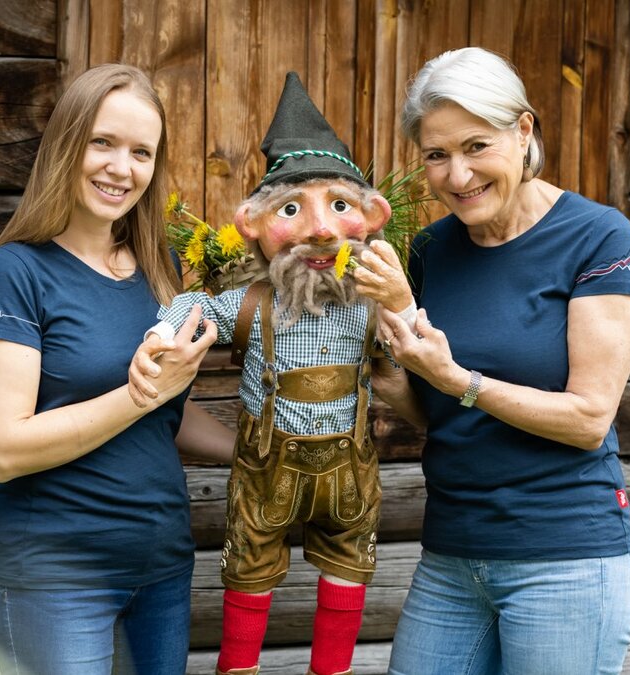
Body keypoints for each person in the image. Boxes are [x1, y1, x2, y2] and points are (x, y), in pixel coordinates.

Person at [352, 47, 630, 675]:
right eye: (436, 155)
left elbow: (588, 418)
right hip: (453, 555)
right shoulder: (432, 248)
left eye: (475, 146)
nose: (457, 176)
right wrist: (390, 370)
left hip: (564, 559)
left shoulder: (597, 237)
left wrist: (456, 378)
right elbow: (439, 415)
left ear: (522, 131)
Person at [130, 72, 411, 675]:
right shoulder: (252, 304)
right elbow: (195, 304)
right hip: (263, 478)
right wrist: (161, 335)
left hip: (349, 480)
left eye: (340, 206)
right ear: (253, 225)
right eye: (292, 209)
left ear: (372, 217)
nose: (319, 227)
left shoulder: (373, 303)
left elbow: (419, 349)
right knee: (248, 582)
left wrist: (403, 306)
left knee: (346, 580)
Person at [0, 63, 235, 675]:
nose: (121, 168)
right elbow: (4, 449)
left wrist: (251, 451)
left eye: (142, 152)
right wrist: (142, 394)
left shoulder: (157, 263)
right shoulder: (14, 272)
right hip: (56, 577)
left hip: (161, 565)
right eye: (103, 142)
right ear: (66, 144)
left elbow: (167, 404)